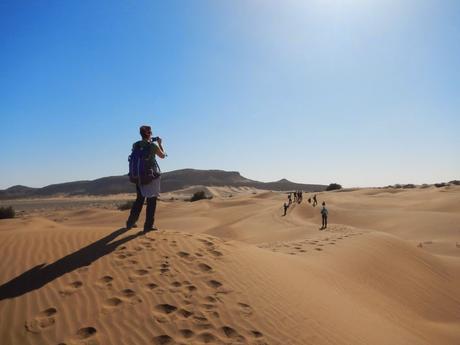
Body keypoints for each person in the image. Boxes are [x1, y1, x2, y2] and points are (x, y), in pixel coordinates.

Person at [126, 125, 166, 232]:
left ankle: (130, 222)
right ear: (148, 133)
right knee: (151, 200)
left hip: (138, 175)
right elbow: (163, 156)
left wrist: (149, 140)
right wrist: (160, 144)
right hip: (150, 176)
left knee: (139, 199)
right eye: (151, 132)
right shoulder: (153, 146)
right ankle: (148, 226)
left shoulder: (135, 145)